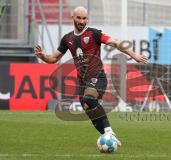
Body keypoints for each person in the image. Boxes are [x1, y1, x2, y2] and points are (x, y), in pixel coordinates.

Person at [34, 6, 148, 147]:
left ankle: (109, 131)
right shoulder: (67, 39)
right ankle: (109, 138)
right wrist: (43, 56)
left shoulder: (94, 34)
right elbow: (53, 59)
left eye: (84, 18)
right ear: (73, 18)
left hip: (98, 77)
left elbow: (116, 43)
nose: (82, 21)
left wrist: (134, 55)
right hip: (82, 81)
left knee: (89, 98)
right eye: (79, 18)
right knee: (89, 111)